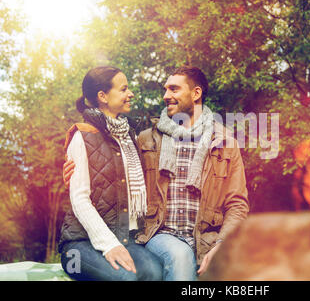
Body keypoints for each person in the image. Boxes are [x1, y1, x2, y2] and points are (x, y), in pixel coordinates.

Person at [64, 66, 249, 280]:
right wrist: (74, 171)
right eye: (165, 89)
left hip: (206, 238)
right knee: (180, 256)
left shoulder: (226, 143)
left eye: (173, 89)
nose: (166, 96)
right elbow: (111, 174)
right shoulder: (146, 139)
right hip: (160, 234)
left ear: (196, 93)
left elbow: (237, 204)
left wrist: (222, 244)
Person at [59, 66, 163, 281]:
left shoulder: (129, 136)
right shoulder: (83, 136)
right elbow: (79, 200)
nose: (130, 94)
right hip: (79, 245)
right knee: (125, 278)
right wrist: (110, 245)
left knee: (154, 273)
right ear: (103, 96)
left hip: (124, 237)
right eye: (124, 89)